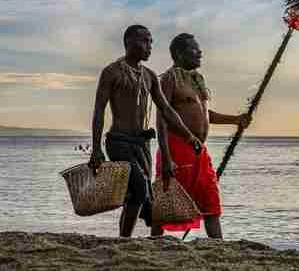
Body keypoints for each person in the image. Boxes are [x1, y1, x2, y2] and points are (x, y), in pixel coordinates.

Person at [88, 25, 204, 237]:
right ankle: (125, 239)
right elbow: (98, 111)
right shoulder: (112, 72)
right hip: (118, 142)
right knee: (141, 188)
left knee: (136, 195)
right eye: (144, 41)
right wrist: (96, 149)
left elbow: (167, 110)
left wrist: (189, 136)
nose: (149, 47)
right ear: (128, 43)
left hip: (142, 144)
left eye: (151, 42)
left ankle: (123, 239)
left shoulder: (149, 75)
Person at [151, 33, 251, 239]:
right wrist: (167, 159)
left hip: (199, 151)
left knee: (210, 202)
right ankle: (155, 243)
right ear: (179, 53)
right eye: (194, 49)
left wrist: (236, 119)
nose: (200, 53)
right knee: (167, 202)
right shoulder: (170, 79)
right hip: (176, 148)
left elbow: (206, 115)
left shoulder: (197, 81)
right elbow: (161, 120)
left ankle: (219, 245)